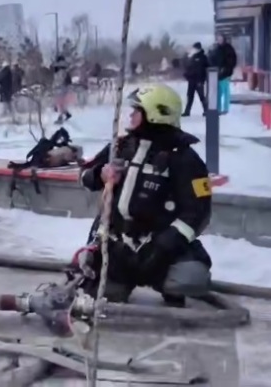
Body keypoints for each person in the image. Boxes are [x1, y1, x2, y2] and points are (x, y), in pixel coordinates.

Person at [72, 84, 212, 307]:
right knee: (94, 284)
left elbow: (198, 212)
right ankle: (118, 282)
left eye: (137, 111)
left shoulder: (184, 158)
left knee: (191, 278)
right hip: (118, 246)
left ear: (155, 114)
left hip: (160, 249)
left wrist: (164, 246)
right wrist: (101, 173)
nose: (131, 115)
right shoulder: (120, 146)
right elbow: (83, 176)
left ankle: (167, 284)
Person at [209, 34, 237, 115]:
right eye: (218, 39)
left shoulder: (228, 48)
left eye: (221, 39)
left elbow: (232, 60)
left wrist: (227, 69)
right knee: (219, 91)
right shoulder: (216, 49)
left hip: (226, 73)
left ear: (224, 39)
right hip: (217, 73)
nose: (219, 40)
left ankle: (225, 108)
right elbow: (211, 59)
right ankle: (218, 108)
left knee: (225, 91)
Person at [182, 42, 208, 116]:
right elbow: (189, 67)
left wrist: (202, 79)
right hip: (191, 80)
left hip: (199, 80)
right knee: (190, 96)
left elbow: (203, 69)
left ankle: (206, 110)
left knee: (201, 96)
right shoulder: (192, 57)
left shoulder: (203, 57)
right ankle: (187, 111)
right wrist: (187, 75)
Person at [52, 55, 72, 124]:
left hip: (61, 88)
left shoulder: (60, 72)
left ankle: (61, 117)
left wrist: (55, 86)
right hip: (63, 88)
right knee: (61, 103)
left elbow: (59, 81)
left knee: (60, 103)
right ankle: (66, 114)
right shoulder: (64, 70)